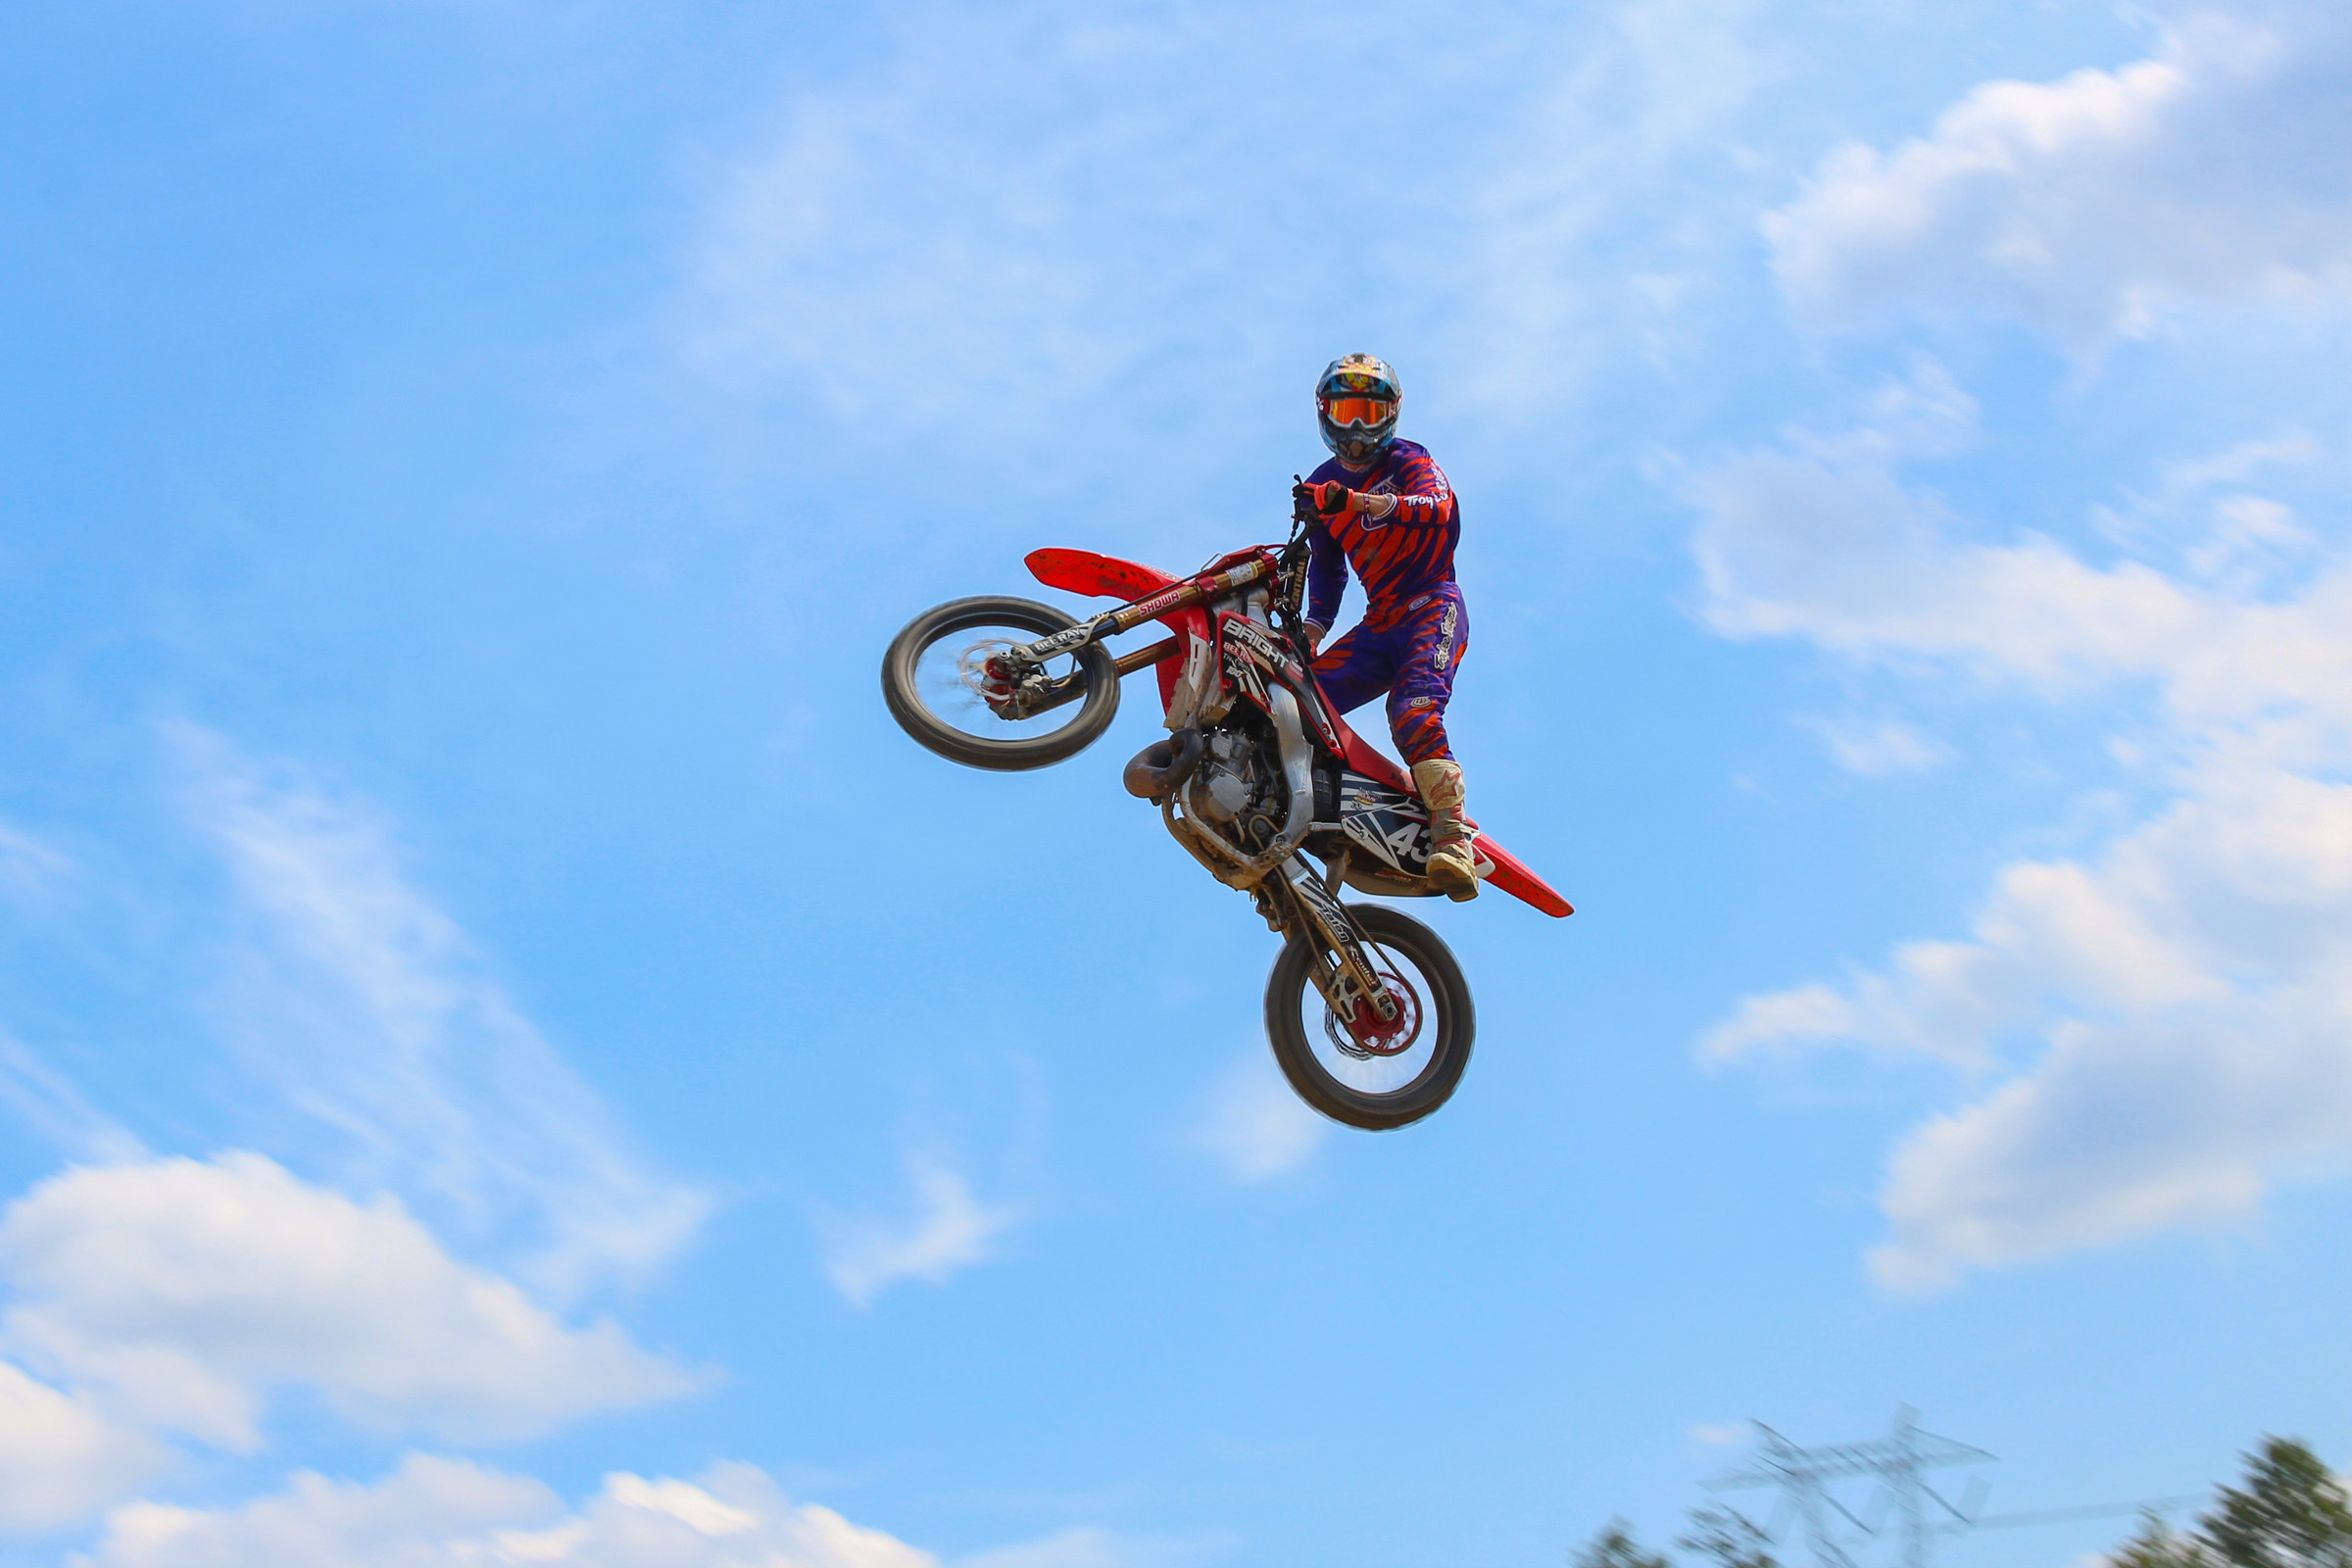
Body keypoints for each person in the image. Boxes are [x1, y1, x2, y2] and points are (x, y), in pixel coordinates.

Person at [1291, 354, 1481, 901]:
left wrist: (1354, 500)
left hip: (1432, 605)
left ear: (1390, 415)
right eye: (1345, 410)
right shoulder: (1325, 485)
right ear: (1326, 413)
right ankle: (1326, 802)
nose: (1355, 426)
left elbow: (1437, 508)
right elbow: (1327, 568)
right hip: (1380, 621)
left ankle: (1451, 832)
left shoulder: (1409, 458)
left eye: (1366, 411)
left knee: (1413, 709)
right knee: (1299, 700)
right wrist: (1312, 630)